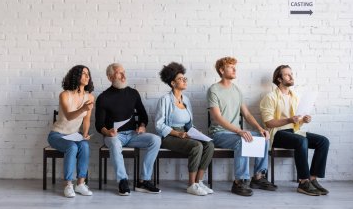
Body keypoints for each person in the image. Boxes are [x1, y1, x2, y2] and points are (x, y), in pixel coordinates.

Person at [207, 57, 277, 196]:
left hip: (235, 133)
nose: (234, 69)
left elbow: (247, 114)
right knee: (242, 140)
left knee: (263, 138)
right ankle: (240, 181)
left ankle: (258, 177)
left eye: (235, 67)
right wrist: (239, 131)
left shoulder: (237, 90)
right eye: (230, 67)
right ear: (222, 70)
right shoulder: (213, 90)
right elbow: (217, 118)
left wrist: (260, 128)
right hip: (219, 134)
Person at [260, 65, 330, 196]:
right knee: (301, 141)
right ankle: (303, 182)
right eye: (287, 75)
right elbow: (268, 122)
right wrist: (289, 120)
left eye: (291, 74)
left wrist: (304, 119)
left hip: (294, 132)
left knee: (323, 141)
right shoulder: (270, 97)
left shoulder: (295, 96)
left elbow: (297, 120)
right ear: (279, 79)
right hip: (277, 134)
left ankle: (312, 179)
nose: (291, 77)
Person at [95, 63, 161, 196]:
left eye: (124, 72)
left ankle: (143, 180)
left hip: (132, 135)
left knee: (155, 139)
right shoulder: (103, 98)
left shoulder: (133, 93)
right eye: (119, 73)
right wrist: (108, 132)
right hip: (114, 136)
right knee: (114, 142)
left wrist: (142, 126)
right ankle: (122, 180)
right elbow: (99, 124)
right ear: (110, 77)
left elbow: (143, 115)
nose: (124, 76)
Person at [155, 62, 215, 196]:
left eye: (184, 78)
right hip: (169, 136)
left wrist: (195, 131)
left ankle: (199, 181)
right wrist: (178, 133)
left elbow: (189, 124)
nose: (184, 81)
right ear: (172, 83)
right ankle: (191, 184)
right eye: (180, 79)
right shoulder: (164, 100)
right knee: (197, 146)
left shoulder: (186, 100)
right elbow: (159, 125)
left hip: (184, 134)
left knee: (209, 145)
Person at [47, 65, 95, 198]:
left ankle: (80, 184)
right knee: (72, 147)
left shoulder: (90, 97)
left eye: (88, 74)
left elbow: (86, 120)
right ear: (76, 76)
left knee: (84, 145)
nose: (87, 76)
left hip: (74, 135)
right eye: (84, 74)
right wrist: (83, 108)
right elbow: (68, 116)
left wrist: (85, 134)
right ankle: (68, 185)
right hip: (57, 134)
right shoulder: (64, 95)